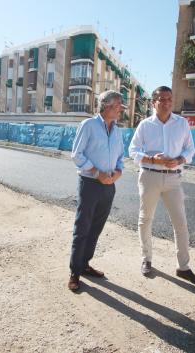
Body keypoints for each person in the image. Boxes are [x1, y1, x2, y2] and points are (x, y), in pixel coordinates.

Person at [128, 86, 195, 285]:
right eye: (162, 99)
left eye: (169, 98)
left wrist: (179, 160)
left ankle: (183, 267)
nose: (167, 102)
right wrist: (152, 159)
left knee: (181, 223)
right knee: (145, 219)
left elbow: (190, 150)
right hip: (150, 176)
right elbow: (133, 150)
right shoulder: (145, 125)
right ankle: (147, 259)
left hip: (173, 179)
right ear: (154, 103)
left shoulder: (182, 123)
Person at [68, 90, 125, 291]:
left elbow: (121, 156)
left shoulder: (117, 130)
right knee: (82, 227)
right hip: (90, 184)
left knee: (96, 229)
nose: (121, 108)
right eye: (119, 104)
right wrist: (96, 171)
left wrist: (118, 171)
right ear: (107, 105)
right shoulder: (89, 125)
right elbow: (76, 155)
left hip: (109, 185)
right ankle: (75, 272)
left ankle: (84, 265)